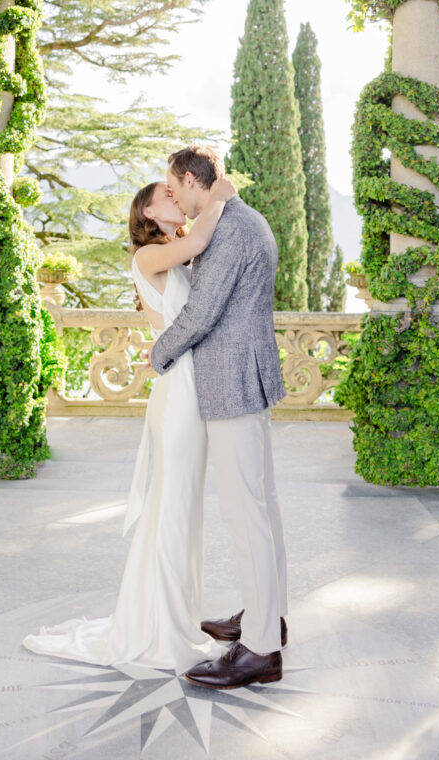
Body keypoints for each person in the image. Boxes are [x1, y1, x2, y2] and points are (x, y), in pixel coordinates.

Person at [22, 174, 238, 673]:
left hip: (189, 385)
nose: (176, 197)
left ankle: (174, 619)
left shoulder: (175, 254)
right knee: (172, 509)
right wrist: (221, 197)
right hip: (178, 394)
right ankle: (157, 630)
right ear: (148, 214)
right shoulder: (148, 257)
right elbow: (199, 241)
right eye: (166, 195)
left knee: (183, 509)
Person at [148, 145, 288, 690]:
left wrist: (159, 354)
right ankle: (266, 617)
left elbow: (201, 312)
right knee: (262, 508)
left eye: (174, 187)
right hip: (243, 380)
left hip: (232, 385)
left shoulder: (231, 229)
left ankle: (260, 650)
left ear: (191, 179)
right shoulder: (239, 219)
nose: (175, 198)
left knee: (246, 514)